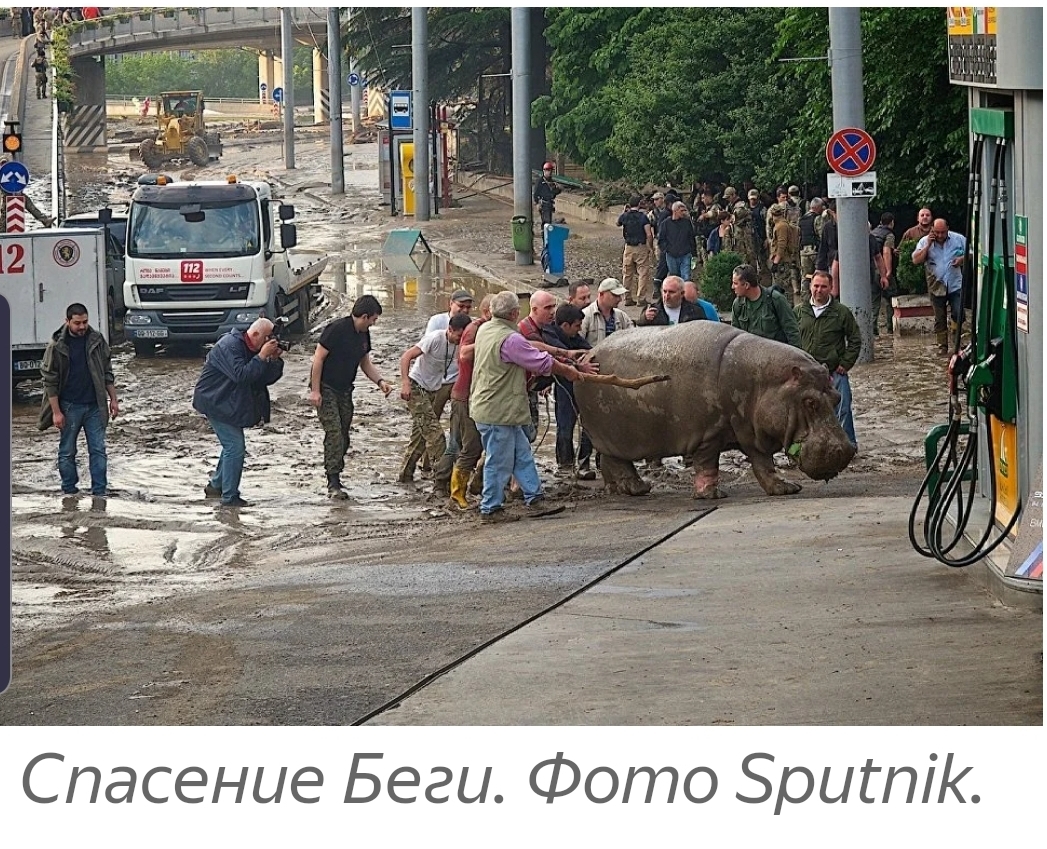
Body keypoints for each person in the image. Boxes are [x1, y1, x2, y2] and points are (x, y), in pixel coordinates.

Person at [471, 290, 581, 522]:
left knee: (522, 454)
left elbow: (530, 349)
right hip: (498, 410)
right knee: (499, 460)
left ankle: (535, 497)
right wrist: (568, 370)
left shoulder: (485, 330)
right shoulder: (510, 339)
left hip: (496, 407)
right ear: (514, 313)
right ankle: (490, 508)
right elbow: (541, 362)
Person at [192, 317, 284, 508]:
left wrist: (273, 360)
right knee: (235, 446)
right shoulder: (229, 345)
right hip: (215, 401)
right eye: (268, 337)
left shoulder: (254, 348)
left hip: (229, 402)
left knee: (231, 446)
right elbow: (241, 375)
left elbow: (263, 379)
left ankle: (216, 486)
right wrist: (261, 357)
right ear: (256, 334)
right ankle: (230, 497)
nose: (270, 341)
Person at [309, 295, 393, 500]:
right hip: (326, 387)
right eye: (373, 319)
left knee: (345, 434)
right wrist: (315, 390)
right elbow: (318, 358)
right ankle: (333, 481)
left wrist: (380, 382)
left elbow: (364, 362)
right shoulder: (336, 330)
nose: (374, 323)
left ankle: (336, 468)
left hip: (345, 389)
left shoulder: (363, 335)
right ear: (364, 316)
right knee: (334, 432)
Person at [38, 303, 119, 496]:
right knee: (67, 451)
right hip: (69, 406)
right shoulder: (57, 346)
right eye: (77, 323)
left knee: (98, 450)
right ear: (67, 321)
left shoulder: (97, 340)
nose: (82, 327)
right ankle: (69, 492)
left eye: (85, 322)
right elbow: (50, 381)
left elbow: (107, 372)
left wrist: (113, 400)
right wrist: (56, 412)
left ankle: (99, 492)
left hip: (94, 406)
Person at [397, 312, 471, 483]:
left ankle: (404, 477)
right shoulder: (435, 338)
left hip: (433, 390)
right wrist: (405, 382)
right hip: (417, 387)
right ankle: (442, 480)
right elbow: (406, 356)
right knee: (436, 435)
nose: (460, 340)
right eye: (458, 336)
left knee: (419, 438)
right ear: (450, 330)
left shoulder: (462, 345)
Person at [795, 270, 862, 448]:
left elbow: (855, 339)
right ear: (810, 287)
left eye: (824, 287)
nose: (819, 290)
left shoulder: (841, 312)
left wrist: (846, 364)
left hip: (833, 372)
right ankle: (802, 448)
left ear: (831, 288)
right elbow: (788, 340)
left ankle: (848, 446)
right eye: (816, 286)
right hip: (805, 374)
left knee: (843, 409)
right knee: (802, 413)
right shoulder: (799, 311)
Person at [448, 295, 493, 509]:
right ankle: (456, 495)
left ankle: (473, 486)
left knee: (480, 444)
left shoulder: (485, 328)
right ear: (488, 312)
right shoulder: (477, 329)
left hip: (477, 396)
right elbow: (464, 354)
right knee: (470, 446)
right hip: (465, 397)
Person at [541, 302, 595, 479]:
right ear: (565, 325)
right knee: (565, 425)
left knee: (588, 424)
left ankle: (584, 463)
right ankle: (565, 464)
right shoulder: (549, 334)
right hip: (564, 385)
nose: (579, 330)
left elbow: (587, 349)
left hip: (579, 384)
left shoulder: (574, 336)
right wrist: (578, 364)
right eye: (577, 326)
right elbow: (560, 356)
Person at [912, 218, 967, 354]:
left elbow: (972, 253)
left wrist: (962, 259)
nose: (940, 235)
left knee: (959, 313)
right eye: (937, 232)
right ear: (932, 230)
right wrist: (928, 245)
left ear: (947, 228)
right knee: (940, 317)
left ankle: (957, 341)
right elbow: (916, 260)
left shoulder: (958, 239)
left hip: (955, 283)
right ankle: (942, 346)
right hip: (936, 285)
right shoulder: (925, 241)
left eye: (943, 232)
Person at [730, 263, 801, 347]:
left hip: (776, 355)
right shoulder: (738, 305)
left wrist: (794, 358)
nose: (732, 287)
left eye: (735, 283)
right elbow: (735, 337)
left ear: (746, 285)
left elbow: (792, 332)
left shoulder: (775, 299)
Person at [617, 194, 654, 307]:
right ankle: (641, 298)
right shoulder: (643, 217)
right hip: (640, 246)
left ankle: (627, 298)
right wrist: (650, 247)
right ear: (639, 204)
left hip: (628, 247)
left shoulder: (625, 216)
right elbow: (649, 234)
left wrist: (624, 212)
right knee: (643, 272)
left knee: (627, 273)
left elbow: (618, 223)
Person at [0, 155, 54, 228]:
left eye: (5, 162)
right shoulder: (1, 174)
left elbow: (20, 182)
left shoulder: (12, 171)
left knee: (30, 205)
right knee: (4, 214)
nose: (3, 164)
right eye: (2, 163)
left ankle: (45, 220)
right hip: (4, 197)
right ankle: (2, 230)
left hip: (17, 194)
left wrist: (18, 190)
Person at [580, 277, 634, 347]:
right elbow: (578, 344)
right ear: (601, 294)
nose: (619, 299)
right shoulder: (585, 315)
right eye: (615, 295)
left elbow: (633, 338)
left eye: (620, 295)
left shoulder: (622, 316)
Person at [638, 275, 707, 326]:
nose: (667, 295)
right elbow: (638, 329)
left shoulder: (696, 311)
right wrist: (644, 318)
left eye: (671, 292)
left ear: (682, 293)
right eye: (664, 291)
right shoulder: (651, 310)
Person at [871, 212, 898, 335]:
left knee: (874, 300)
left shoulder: (873, 232)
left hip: (871, 270)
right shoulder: (889, 235)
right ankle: (891, 327)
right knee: (890, 298)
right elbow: (886, 252)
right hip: (881, 270)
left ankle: (872, 329)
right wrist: (887, 272)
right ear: (892, 222)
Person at [657, 201, 698, 282]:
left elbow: (691, 237)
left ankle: (685, 294)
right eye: (681, 211)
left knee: (686, 277)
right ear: (675, 210)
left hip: (685, 254)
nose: (683, 213)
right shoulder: (665, 224)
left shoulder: (687, 223)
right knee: (675, 277)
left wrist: (693, 253)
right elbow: (661, 239)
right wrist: (667, 249)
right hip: (671, 255)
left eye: (684, 210)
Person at [769, 205, 801, 305]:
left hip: (782, 262)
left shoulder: (781, 226)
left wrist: (776, 262)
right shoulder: (781, 225)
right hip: (782, 261)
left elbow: (781, 245)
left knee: (784, 289)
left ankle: (788, 309)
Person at [798, 197, 825, 297]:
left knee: (805, 277)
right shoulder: (817, 218)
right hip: (815, 251)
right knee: (819, 276)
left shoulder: (801, 219)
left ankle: (805, 299)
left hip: (803, 252)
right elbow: (822, 235)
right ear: (818, 207)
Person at [533, 161, 561, 227]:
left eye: (551, 170)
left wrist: (559, 189)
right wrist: (537, 203)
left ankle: (546, 236)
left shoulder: (551, 182)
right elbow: (535, 193)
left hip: (549, 204)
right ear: (544, 171)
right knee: (546, 223)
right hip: (543, 204)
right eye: (548, 170)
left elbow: (553, 193)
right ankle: (544, 236)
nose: (550, 172)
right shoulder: (540, 181)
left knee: (548, 222)